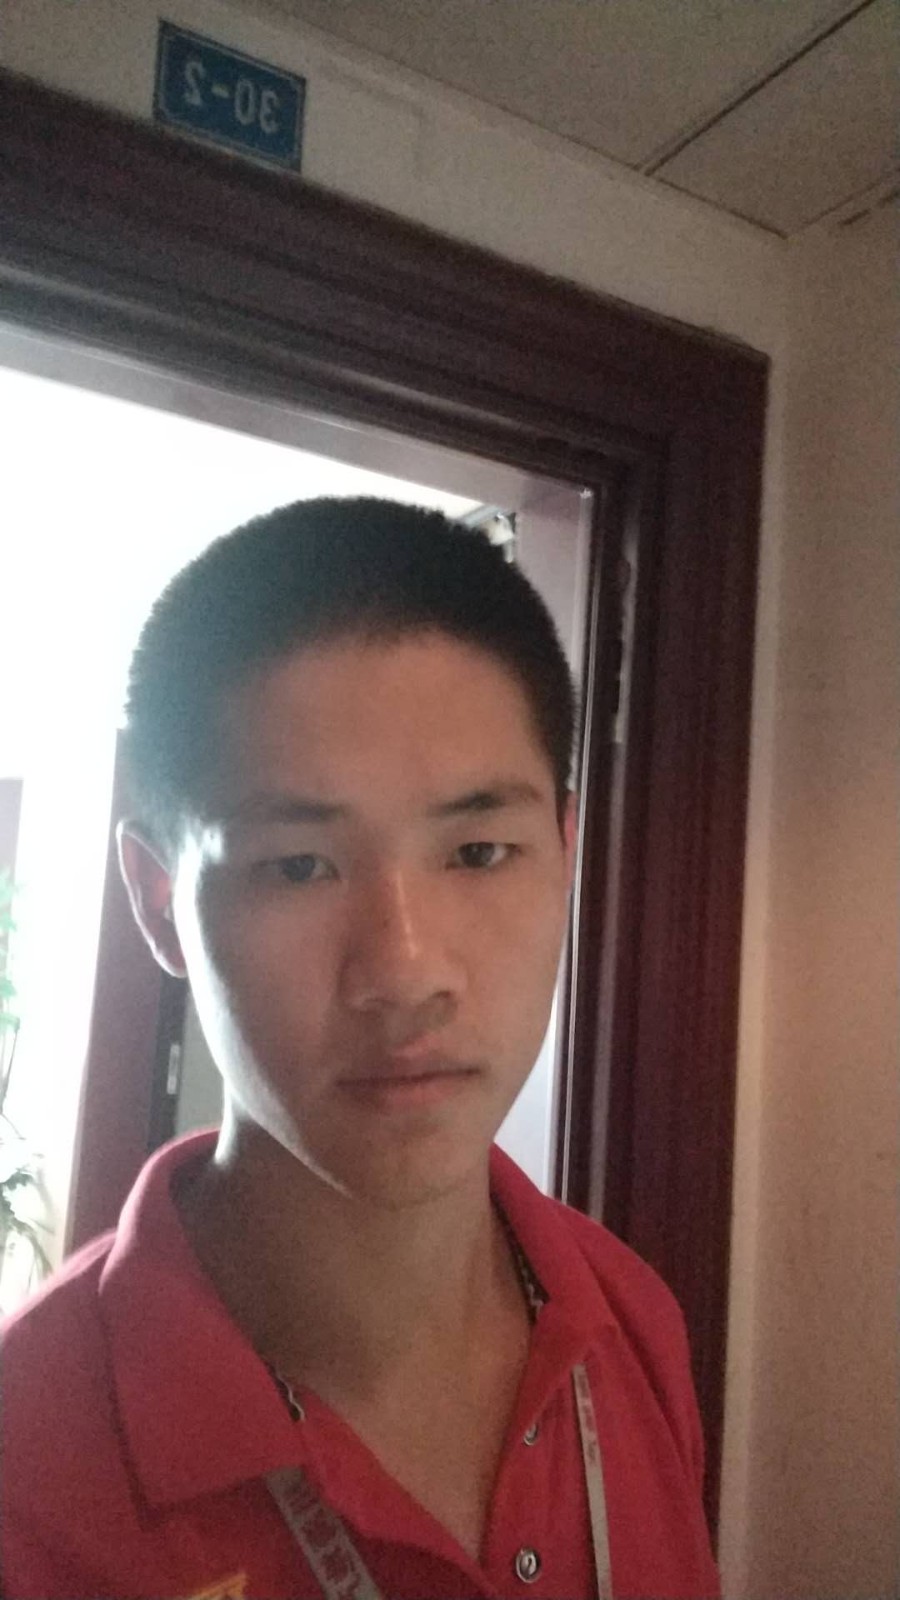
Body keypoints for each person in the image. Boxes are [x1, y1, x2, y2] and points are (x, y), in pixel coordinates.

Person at [0, 498, 720, 1600]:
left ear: (566, 851)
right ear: (158, 901)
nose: (405, 969)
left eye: (479, 852)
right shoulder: (28, 1456)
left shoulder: (631, 1319)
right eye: (298, 866)